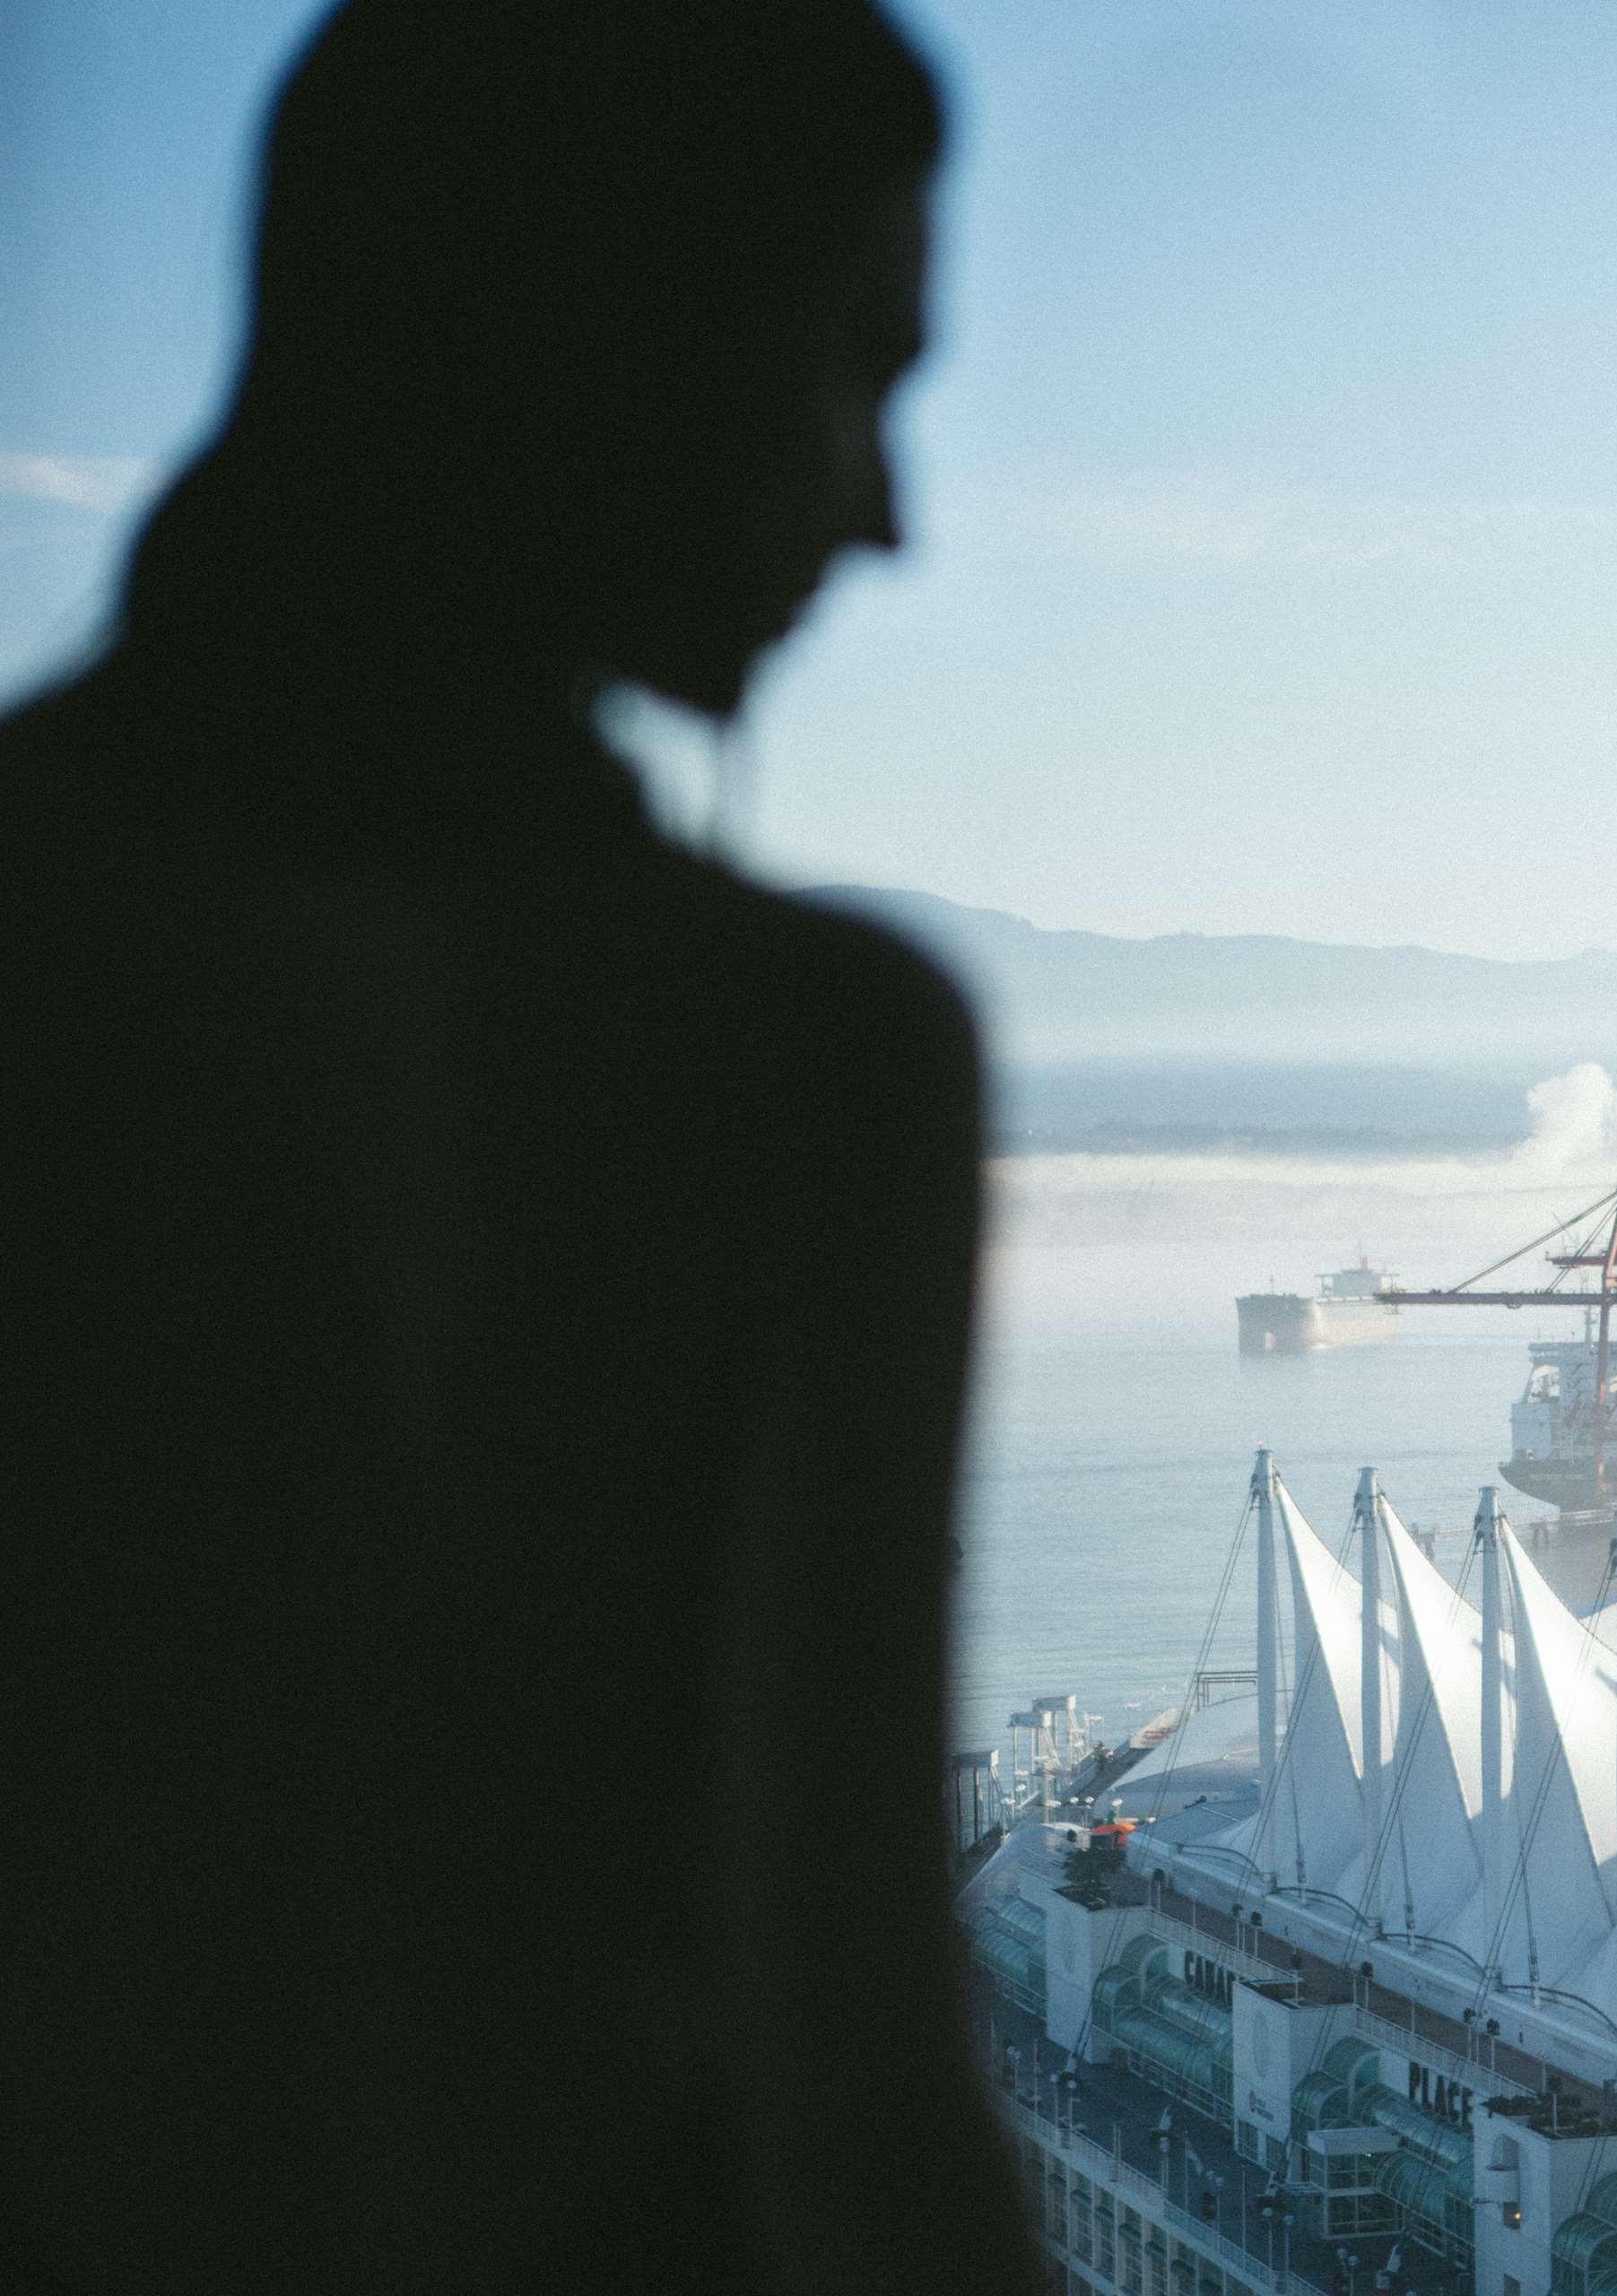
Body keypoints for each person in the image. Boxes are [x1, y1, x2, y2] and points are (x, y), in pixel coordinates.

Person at [0, 4, 1030, 2290]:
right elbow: (857, 2089)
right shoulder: (806, 1065)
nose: (884, 509)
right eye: (847, 365)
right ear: (586, 333)